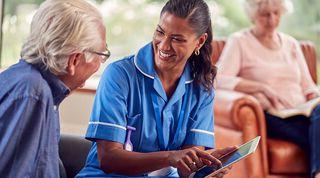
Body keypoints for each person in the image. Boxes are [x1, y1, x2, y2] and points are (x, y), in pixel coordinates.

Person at [76, 0, 237, 177]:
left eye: (177, 39)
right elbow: (108, 158)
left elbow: (186, 168)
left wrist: (206, 166)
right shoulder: (119, 75)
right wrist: (170, 157)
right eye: (160, 32)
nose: (164, 45)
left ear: (199, 41)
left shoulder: (202, 87)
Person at [0, 0, 108, 177]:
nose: (99, 65)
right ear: (74, 60)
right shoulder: (33, 93)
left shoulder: (34, 85)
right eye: (101, 55)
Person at [216, 0, 320, 177]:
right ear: (253, 15)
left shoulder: (291, 43)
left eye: (276, 13)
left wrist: (313, 96)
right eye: (265, 14)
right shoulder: (240, 41)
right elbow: (217, 79)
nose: (272, 19)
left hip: (303, 113)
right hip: (272, 115)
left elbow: (308, 86)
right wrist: (260, 88)